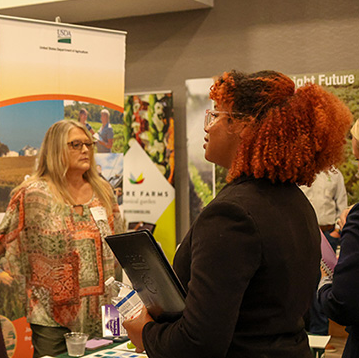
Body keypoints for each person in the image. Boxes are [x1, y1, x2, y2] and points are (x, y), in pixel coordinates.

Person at [123, 70, 352, 357]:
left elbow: (198, 344)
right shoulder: (296, 203)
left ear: (245, 126)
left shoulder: (232, 214)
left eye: (216, 116)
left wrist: (146, 333)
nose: (207, 127)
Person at [0, 119, 123, 357]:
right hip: (52, 319)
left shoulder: (104, 192)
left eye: (88, 144)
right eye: (76, 144)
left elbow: (122, 246)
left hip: (105, 314)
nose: (85, 150)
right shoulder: (33, 194)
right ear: (55, 149)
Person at [317, 119, 359, 358]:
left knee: (328, 284)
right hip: (317, 234)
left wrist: (340, 229)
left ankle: (323, 335)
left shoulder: (335, 177)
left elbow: (343, 304)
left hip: (331, 233)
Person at [299, 167, 347, 338]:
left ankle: (321, 331)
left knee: (325, 279)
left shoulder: (335, 174)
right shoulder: (302, 170)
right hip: (304, 233)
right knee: (305, 280)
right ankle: (307, 328)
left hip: (328, 236)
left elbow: (341, 204)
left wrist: (335, 232)